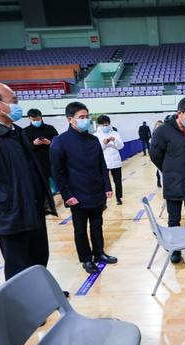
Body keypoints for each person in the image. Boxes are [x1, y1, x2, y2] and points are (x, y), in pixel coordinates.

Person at [0, 82, 60, 286]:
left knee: (39, 258)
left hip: (33, 210)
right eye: (13, 101)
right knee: (18, 268)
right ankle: (25, 305)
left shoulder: (17, 132)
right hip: (11, 217)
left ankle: (41, 296)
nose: (17, 105)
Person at [50, 102, 117, 274]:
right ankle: (86, 259)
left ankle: (99, 253)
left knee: (97, 225)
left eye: (87, 116)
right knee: (80, 230)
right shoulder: (60, 141)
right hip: (77, 195)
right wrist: (67, 195)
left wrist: (107, 186)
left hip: (97, 192)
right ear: (70, 119)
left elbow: (102, 165)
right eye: (81, 117)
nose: (85, 120)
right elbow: (57, 172)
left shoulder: (93, 140)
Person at [150, 97, 185, 263]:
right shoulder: (163, 131)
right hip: (173, 181)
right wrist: (169, 169)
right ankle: (174, 248)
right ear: (179, 113)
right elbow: (155, 154)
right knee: (173, 218)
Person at [23, 108, 58, 186]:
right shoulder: (25, 131)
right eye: (33, 120)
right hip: (36, 163)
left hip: (51, 160)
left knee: (58, 181)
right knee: (42, 185)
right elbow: (23, 148)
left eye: (38, 119)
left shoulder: (50, 128)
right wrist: (33, 144)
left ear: (41, 117)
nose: (36, 121)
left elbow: (58, 144)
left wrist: (49, 143)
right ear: (29, 118)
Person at [94, 115, 124, 205]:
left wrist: (115, 140)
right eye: (103, 125)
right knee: (103, 182)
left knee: (118, 181)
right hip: (103, 162)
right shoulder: (96, 135)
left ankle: (118, 198)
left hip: (116, 161)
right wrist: (104, 143)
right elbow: (96, 150)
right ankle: (103, 201)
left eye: (107, 125)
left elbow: (121, 146)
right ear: (99, 125)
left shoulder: (115, 133)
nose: (106, 127)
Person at [153, 120, 163, 188]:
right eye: (158, 125)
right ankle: (159, 181)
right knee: (159, 170)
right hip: (158, 155)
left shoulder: (165, 133)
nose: (159, 126)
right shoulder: (155, 133)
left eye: (160, 125)